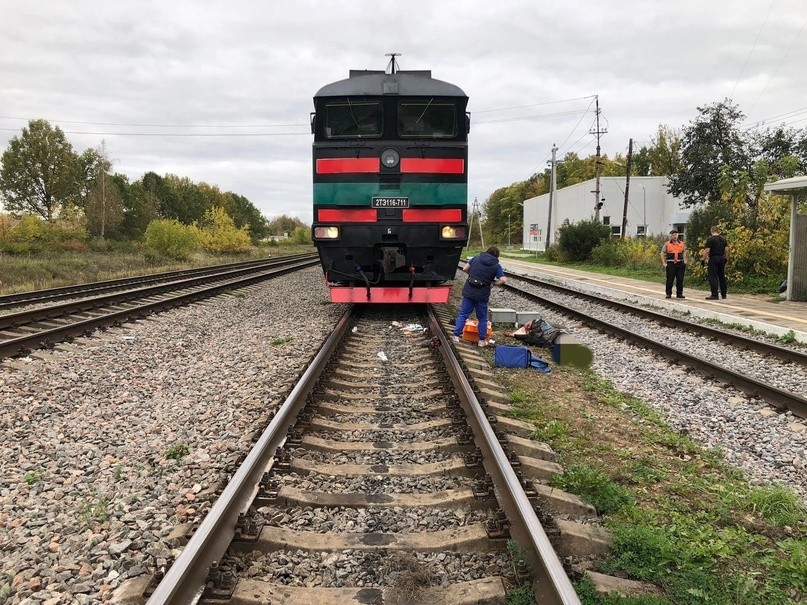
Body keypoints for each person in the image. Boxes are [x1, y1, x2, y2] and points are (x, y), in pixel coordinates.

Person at [452, 245, 507, 347]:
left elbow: (465, 268)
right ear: (496, 256)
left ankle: (456, 336)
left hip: (469, 291)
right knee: (482, 318)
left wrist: (472, 274)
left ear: (487, 252)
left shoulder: (476, 257)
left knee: (463, 314)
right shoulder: (496, 265)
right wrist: (494, 283)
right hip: (482, 294)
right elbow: (503, 280)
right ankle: (481, 341)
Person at [702, 225, 729, 299]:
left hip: (713, 258)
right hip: (721, 258)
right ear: (718, 231)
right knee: (721, 276)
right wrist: (726, 258)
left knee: (713, 276)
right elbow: (726, 250)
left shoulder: (710, 239)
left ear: (711, 231)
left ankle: (714, 294)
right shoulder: (723, 239)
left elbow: (707, 251)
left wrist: (703, 259)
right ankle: (724, 294)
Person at [660, 229, 688, 299]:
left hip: (680, 263)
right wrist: (664, 262)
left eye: (676, 235)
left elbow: (684, 251)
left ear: (678, 235)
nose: (674, 236)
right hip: (671, 263)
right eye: (673, 235)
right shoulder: (667, 244)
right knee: (670, 279)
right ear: (670, 236)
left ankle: (679, 293)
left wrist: (685, 260)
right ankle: (668, 293)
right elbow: (662, 253)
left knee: (680, 279)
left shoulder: (681, 243)